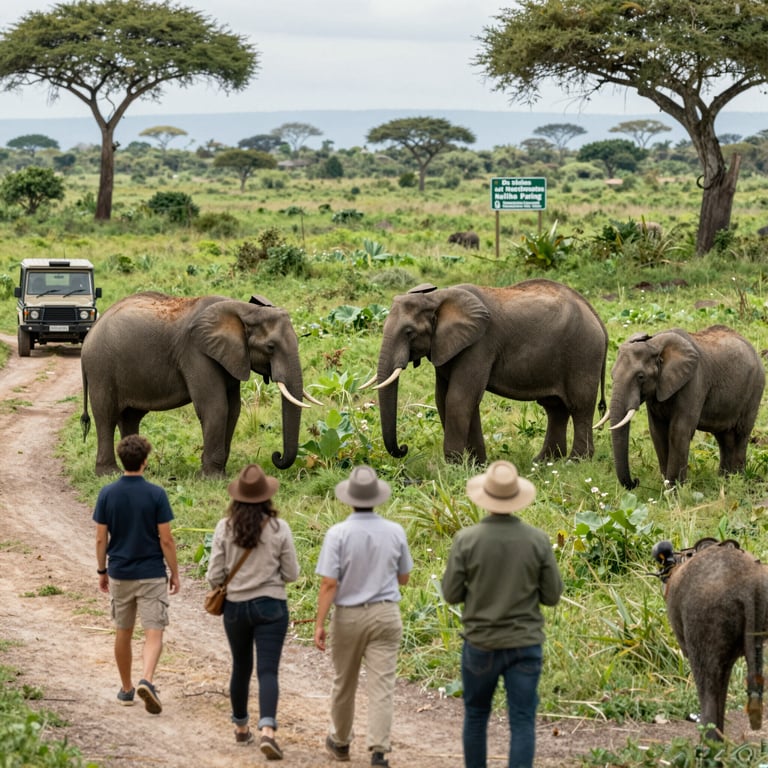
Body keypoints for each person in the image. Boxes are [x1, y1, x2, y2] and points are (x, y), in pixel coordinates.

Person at [441, 461, 563, 768]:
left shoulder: (466, 539)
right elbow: (552, 596)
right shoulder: (536, 540)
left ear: (485, 496)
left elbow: (451, 594)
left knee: (477, 715)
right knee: (522, 720)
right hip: (525, 645)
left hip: (481, 643)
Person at [314, 465, 413, 768]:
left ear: (350, 499)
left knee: (345, 682)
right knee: (382, 685)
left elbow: (330, 583)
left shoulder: (338, 533)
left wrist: (319, 622)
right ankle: (379, 750)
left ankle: (340, 742)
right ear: (377, 499)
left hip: (349, 616)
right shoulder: (395, 531)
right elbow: (404, 577)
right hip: (386, 614)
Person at [206, 463, 299, 760]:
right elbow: (291, 573)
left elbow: (213, 575)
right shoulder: (278, 528)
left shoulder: (225, 527)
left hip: (235, 606)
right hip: (272, 605)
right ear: (267, 496)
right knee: (268, 670)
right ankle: (268, 730)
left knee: (241, 666)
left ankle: (241, 727)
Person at [93, 434, 180, 715]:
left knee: (123, 630)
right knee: (154, 631)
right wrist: (175, 572)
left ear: (121, 461)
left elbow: (100, 538)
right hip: (152, 573)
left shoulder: (107, 493)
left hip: (119, 572)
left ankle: (127, 688)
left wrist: (102, 570)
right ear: (145, 461)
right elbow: (166, 540)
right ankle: (148, 679)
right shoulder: (156, 494)